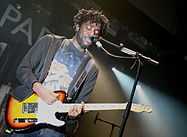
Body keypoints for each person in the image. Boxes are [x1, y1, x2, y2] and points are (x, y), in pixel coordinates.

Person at [6, 8, 109, 137]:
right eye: (88, 28)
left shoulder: (91, 68)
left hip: (54, 126)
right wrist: (39, 89)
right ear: (77, 26)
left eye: (96, 31)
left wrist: (73, 115)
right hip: (29, 110)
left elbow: (80, 102)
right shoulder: (50, 42)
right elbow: (22, 69)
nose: (92, 33)